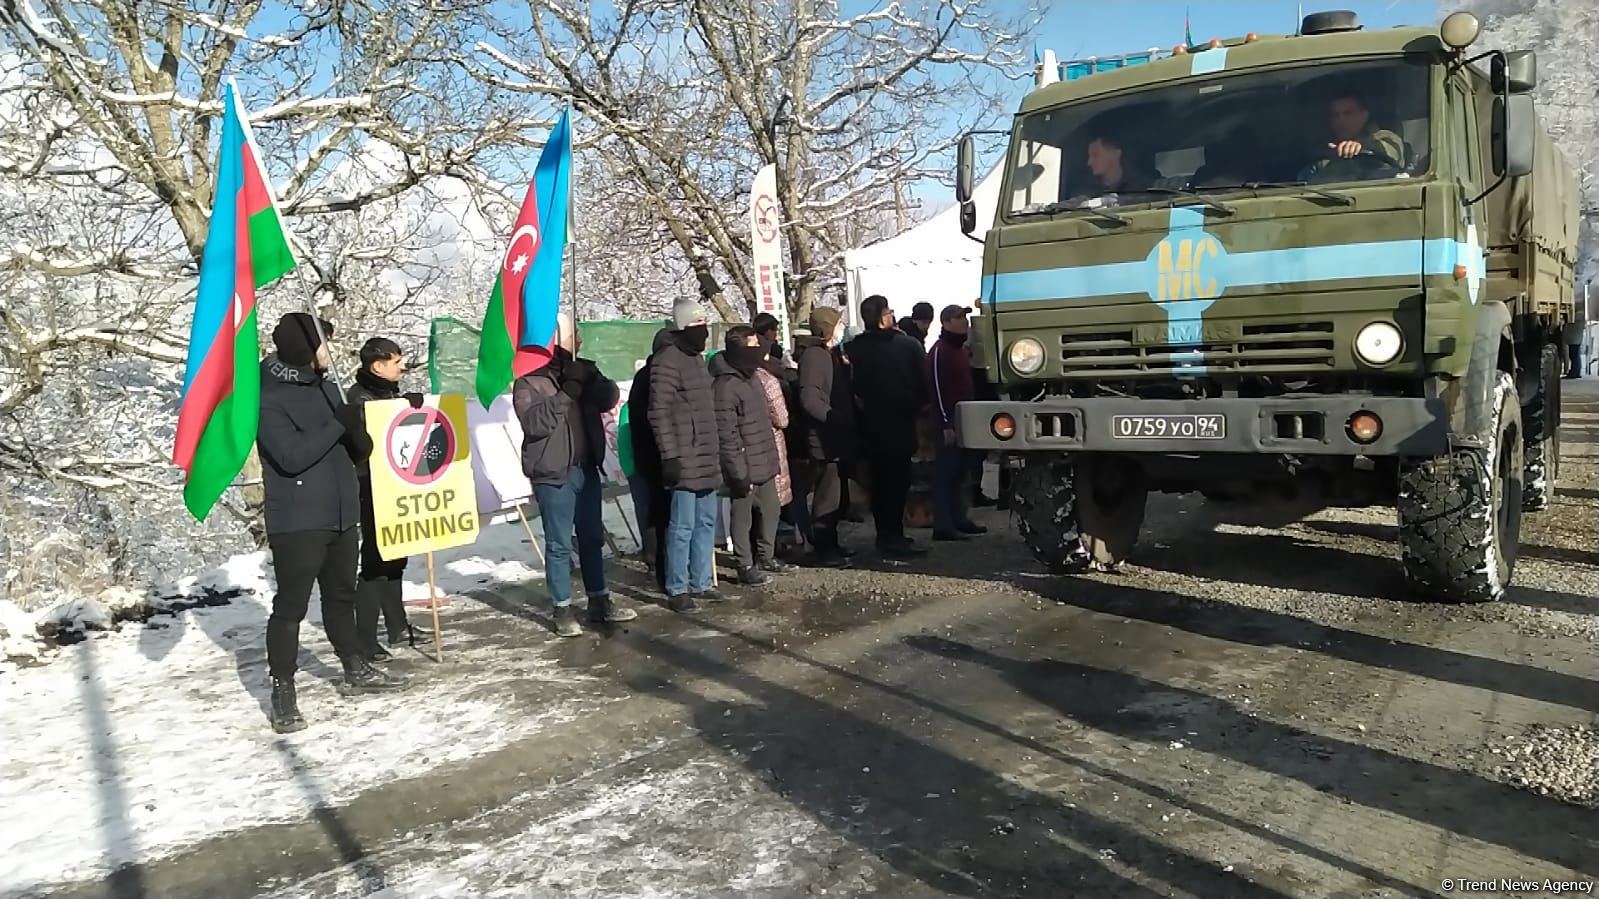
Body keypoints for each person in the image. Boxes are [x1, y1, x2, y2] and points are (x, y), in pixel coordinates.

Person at [258, 313, 406, 734]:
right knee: (291, 607)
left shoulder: (327, 389)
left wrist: (356, 430)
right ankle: (283, 688)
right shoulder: (268, 397)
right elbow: (291, 456)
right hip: (299, 519)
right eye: (323, 342)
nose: (329, 351)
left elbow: (358, 451)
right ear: (306, 348)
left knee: (341, 595)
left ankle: (353, 665)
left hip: (342, 512)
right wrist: (335, 424)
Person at [512, 313, 634, 637]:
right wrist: (566, 392)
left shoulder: (581, 371)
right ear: (557, 340)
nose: (579, 340)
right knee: (559, 544)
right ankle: (562, 607)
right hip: (554, 475)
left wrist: (592, 379)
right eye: (573, 335)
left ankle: (599, 600)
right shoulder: (529, 381)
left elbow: (609, 398)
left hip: (586, 468)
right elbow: (535, 424)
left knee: (593, 538)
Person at [346, 337, 424, 660]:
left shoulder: (385, 391)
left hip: (393, 485)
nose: (403, 366)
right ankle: (364, 637)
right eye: (397, 361)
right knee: (376, 561)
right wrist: (400, 408)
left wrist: (408, 405)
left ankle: (397, 625)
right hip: (371, 487)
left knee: (396, 556)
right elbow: (370, 432)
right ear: (378, 366)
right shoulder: (358, 396)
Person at [649, 300, 724, 611]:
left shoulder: (697, 360)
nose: (703, 331)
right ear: (682, 327)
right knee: (682, 525)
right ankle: (677, 586)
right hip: (684, 455)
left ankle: (702, 580)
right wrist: (670, 455)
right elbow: (659, 411)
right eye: (696, 325)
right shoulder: (668, 361)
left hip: (707, 454)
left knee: (706, 521)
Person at [846, 294, 927, 559]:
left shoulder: (854, 348)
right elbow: (922, 386)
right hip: (900, 422)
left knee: (878, 483)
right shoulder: (907, 346)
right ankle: (895, 535)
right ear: (883, 317)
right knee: (898, 482)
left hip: (868, 425)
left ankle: (884, 534)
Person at [712, 326, 786, 585]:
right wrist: (737, 471)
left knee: (771, 509)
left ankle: (766, 556)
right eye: (753, 345)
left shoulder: (753, 377)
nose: (759, 351)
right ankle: (744, 564)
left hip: (763, 456)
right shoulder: (725, 385)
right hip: (744, 463)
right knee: (742, 517)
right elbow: (726, 434)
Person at [795, 306, 856, 567]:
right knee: (826, 496)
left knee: (837, 494)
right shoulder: (815, 357)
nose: (842, 327)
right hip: (823, 438)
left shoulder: (830, 354)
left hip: (835, 437)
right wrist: (832, 417)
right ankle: (823, 548)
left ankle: (831, 543)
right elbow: (809, 398)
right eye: (838, 323)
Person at [926, 305, 989, 541]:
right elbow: (936, 390)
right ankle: (943, 524)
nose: (965, 321)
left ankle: (959, 518)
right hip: (949, 421)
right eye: (959, 317)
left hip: (965, 419)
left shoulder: (961, 351)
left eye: (965, 317)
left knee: (962, 472)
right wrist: (945, 424)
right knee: (946, 473)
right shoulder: (939, 351)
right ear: (946, 322)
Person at [626, 328, 675, 590]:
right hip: (659, 457)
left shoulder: (643, 377)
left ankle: (658, 567)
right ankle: (662, 570)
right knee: (662, 517)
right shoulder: (656, 378)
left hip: (649, 457)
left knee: (657, 516)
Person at [754, 333, 796, 564]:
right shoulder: (769, 380)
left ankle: (752, 554)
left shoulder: (725, 377)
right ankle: (770, 551)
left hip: (743, 450)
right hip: (770, 444)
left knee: (748, 506)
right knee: (772, 502)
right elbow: (782, 418)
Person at [1303, 91, 1405, 181]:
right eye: (1335, 115)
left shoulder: (1385, 137)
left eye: (1348, 113)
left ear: (1364, 115)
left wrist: (1362, 147)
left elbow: (1391, 151)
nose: (1341, 120)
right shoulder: (1324, 151)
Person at [1085, 132, 1151, 194]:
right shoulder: (1086, 192)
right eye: (1089, 156)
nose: (1089, 162)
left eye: (1095, 154)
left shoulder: (1142, 188)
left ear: (1115, 154)